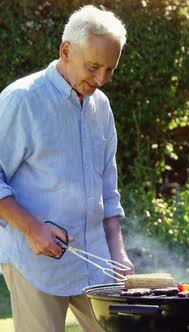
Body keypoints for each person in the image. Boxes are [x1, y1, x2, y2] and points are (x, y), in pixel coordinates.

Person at [0, 5, 134, 332]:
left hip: (98, 262)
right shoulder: (21, 100)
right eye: (93, 67)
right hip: (36, 262)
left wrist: (118, 252)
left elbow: (108, 189)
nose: (101, 79)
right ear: (66, 50)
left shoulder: (101, 107)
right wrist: (32, 228)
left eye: (110, 70)